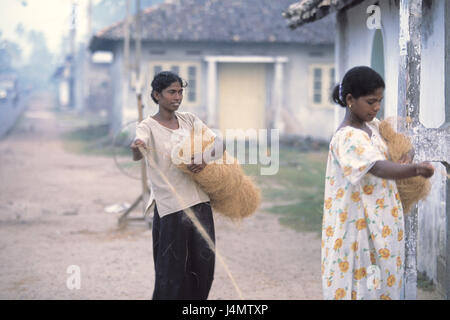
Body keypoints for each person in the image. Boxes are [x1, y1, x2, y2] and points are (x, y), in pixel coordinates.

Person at [322, 66, 434, 300]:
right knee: (362, 287)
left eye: (379, 101)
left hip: (380, 223)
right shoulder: (348, 137)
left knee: (380, 284)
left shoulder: (372, 126)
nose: (376, 108)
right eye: (371, 101)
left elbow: (399, 143)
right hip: (359, 227)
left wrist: (408, 155)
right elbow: (378, 167)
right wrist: (414, 169)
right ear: (350, 100)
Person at [130, 71, 224, 300]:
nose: (177, 97)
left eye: (180, 91)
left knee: (203, 268)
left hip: (199, 202)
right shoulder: (147, 126)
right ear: (156, 95)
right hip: (170, 207)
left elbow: (220, 143)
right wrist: (138, 146)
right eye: (172, 92)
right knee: (170, 273)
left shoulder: (190, 120)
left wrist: (204, 157)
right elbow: (136, 152)